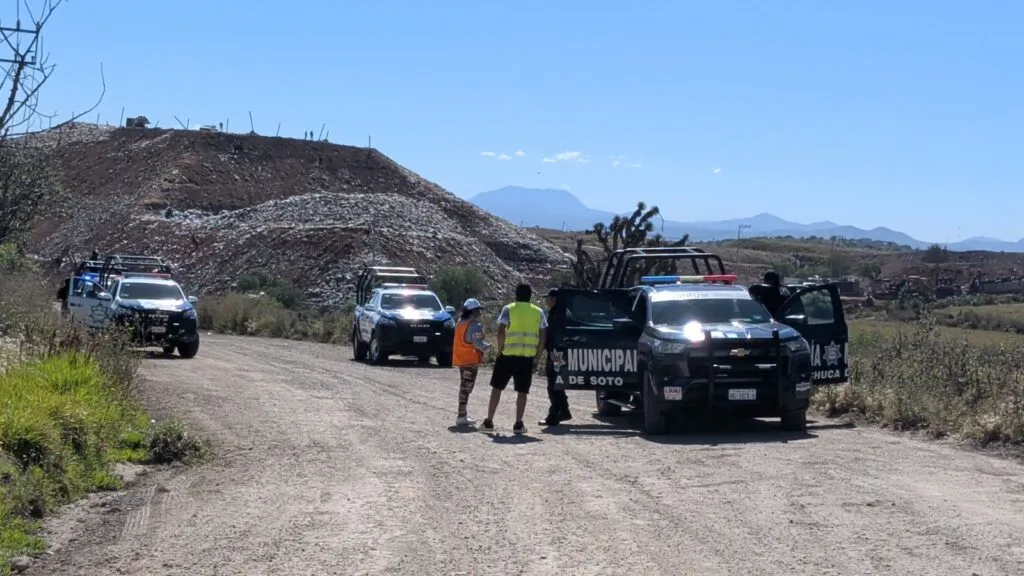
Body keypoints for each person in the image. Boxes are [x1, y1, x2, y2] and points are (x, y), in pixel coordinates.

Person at [480, 282, 547, 435]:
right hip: (526, 357)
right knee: (522, 391)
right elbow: (544, 332)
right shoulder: (539, 312)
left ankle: (489, 421)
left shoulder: (508, 309)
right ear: (530, 296)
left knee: (497, 388)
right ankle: (518, 423)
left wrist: (500, 349)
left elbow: (501, 331)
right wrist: (538, 352)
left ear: (516, 295)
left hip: (507, 355)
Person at [451, 298, 492, 427]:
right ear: (473, 311)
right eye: (478, 309)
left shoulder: (460, 323)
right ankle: (461, 415)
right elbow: (477, 343)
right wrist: (489, 347)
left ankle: (462, 414)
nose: (480, 312)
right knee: (466, 388)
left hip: (461, 359)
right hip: (470, 359)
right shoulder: (475, 325)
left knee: (464, 386)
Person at [539, 287, 572, 427]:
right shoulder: (556, 312)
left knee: (554, 385)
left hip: (558, 353)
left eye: (548, 297)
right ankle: (563, 411)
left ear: (554, 299)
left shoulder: (560, 314)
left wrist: (553, 351)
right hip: (555, 352)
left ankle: (555, 414)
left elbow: (557, 335)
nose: (546, 300)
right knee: (555, 383)